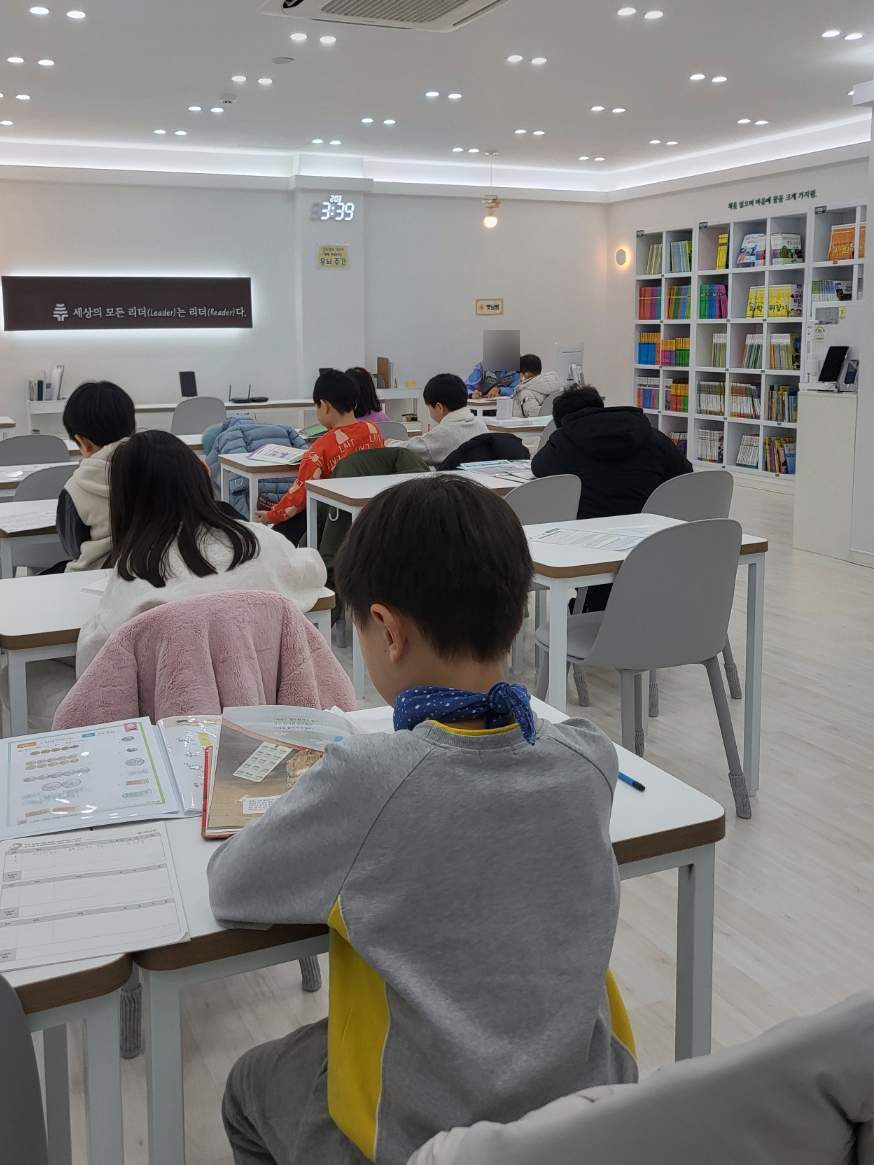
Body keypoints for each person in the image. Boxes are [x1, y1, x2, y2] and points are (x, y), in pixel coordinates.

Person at [209, 474, 637, 1165]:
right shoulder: (589, 756)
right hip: (582, 1115)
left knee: (247, 1085)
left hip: (419, 1138)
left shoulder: (367, 777)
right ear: (516, 617)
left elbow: (232, 885)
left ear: (388, 629)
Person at [76, 430, 326, 673]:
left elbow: (96, 658)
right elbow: (312, 571)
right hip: (268, 688)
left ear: (124, 501)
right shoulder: (259, 539)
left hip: (178, 696)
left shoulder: (134, 572)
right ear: (200, 476)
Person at [258, 369, 384, 545]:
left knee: (275, 536)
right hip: (371, 512)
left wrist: (271, 516)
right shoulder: (373, 430)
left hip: (332, 520)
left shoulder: (321, 447)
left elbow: (299, 496)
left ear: (324, 406)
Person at [532, 386, 692, 519]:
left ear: (562, 421)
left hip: (586, 529)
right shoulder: (652, 435)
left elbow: (539, 468)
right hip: (647, 529)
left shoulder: (564, 440)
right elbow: (684, 473)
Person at [57, 380, 136, 572]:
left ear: (82, 442)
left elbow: (72, 547)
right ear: (133, 426)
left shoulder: (76, 486)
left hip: (99, 576)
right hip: (161, 569)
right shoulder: (163, 462)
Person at [397, 373, 488, 466]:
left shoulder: (444, 432)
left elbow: (410, 450)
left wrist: (391, 443)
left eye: (429, 407)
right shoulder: (480, 424)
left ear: (439, 407)